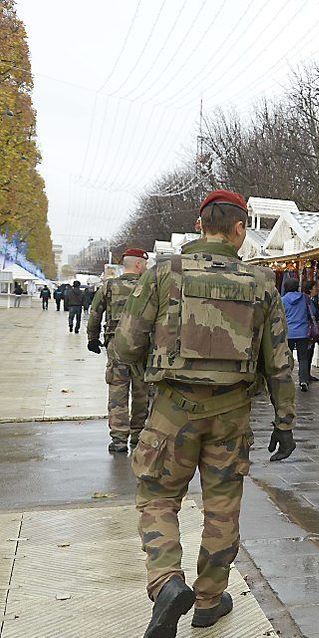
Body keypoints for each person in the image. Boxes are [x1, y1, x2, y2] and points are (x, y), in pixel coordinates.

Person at [111, 189, 296, 636]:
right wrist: (285, 421)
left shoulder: (163, 273)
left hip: (171, 411)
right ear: (240, 228)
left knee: (157, 497)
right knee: (222, 509)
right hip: (232, 415)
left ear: (199, 225)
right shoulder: (261, 283)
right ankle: (210, 601)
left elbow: (125, 345)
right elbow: (279, 361)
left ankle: (167, 582)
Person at [87, 248, 151, 453]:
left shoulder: (109, 286)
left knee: (117, 391)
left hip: (116, 345)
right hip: (143, 345)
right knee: (142, 392)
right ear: (139, 264)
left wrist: (93, 338)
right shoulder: (150, 287)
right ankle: (138, 434)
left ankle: (118, 439)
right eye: (146, 264)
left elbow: (95, 313)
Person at [282, 277, 315, 392]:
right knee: (303, 358)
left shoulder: (283, 300)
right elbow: (313, 312)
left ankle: (286, 379)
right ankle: (303, 380)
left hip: (288, 332)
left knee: (287, 357)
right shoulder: (305, 298)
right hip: (303, 332)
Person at [304, 280, 319, 382]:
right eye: (315, 287)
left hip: (308, 330)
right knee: (308, 352)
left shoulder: (313, 300)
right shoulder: (309, 301)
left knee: (309, 352)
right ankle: (305, 374)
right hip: (309, 331)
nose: (317, 289)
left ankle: (307, 373)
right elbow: (313, 314)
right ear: (310, 289)